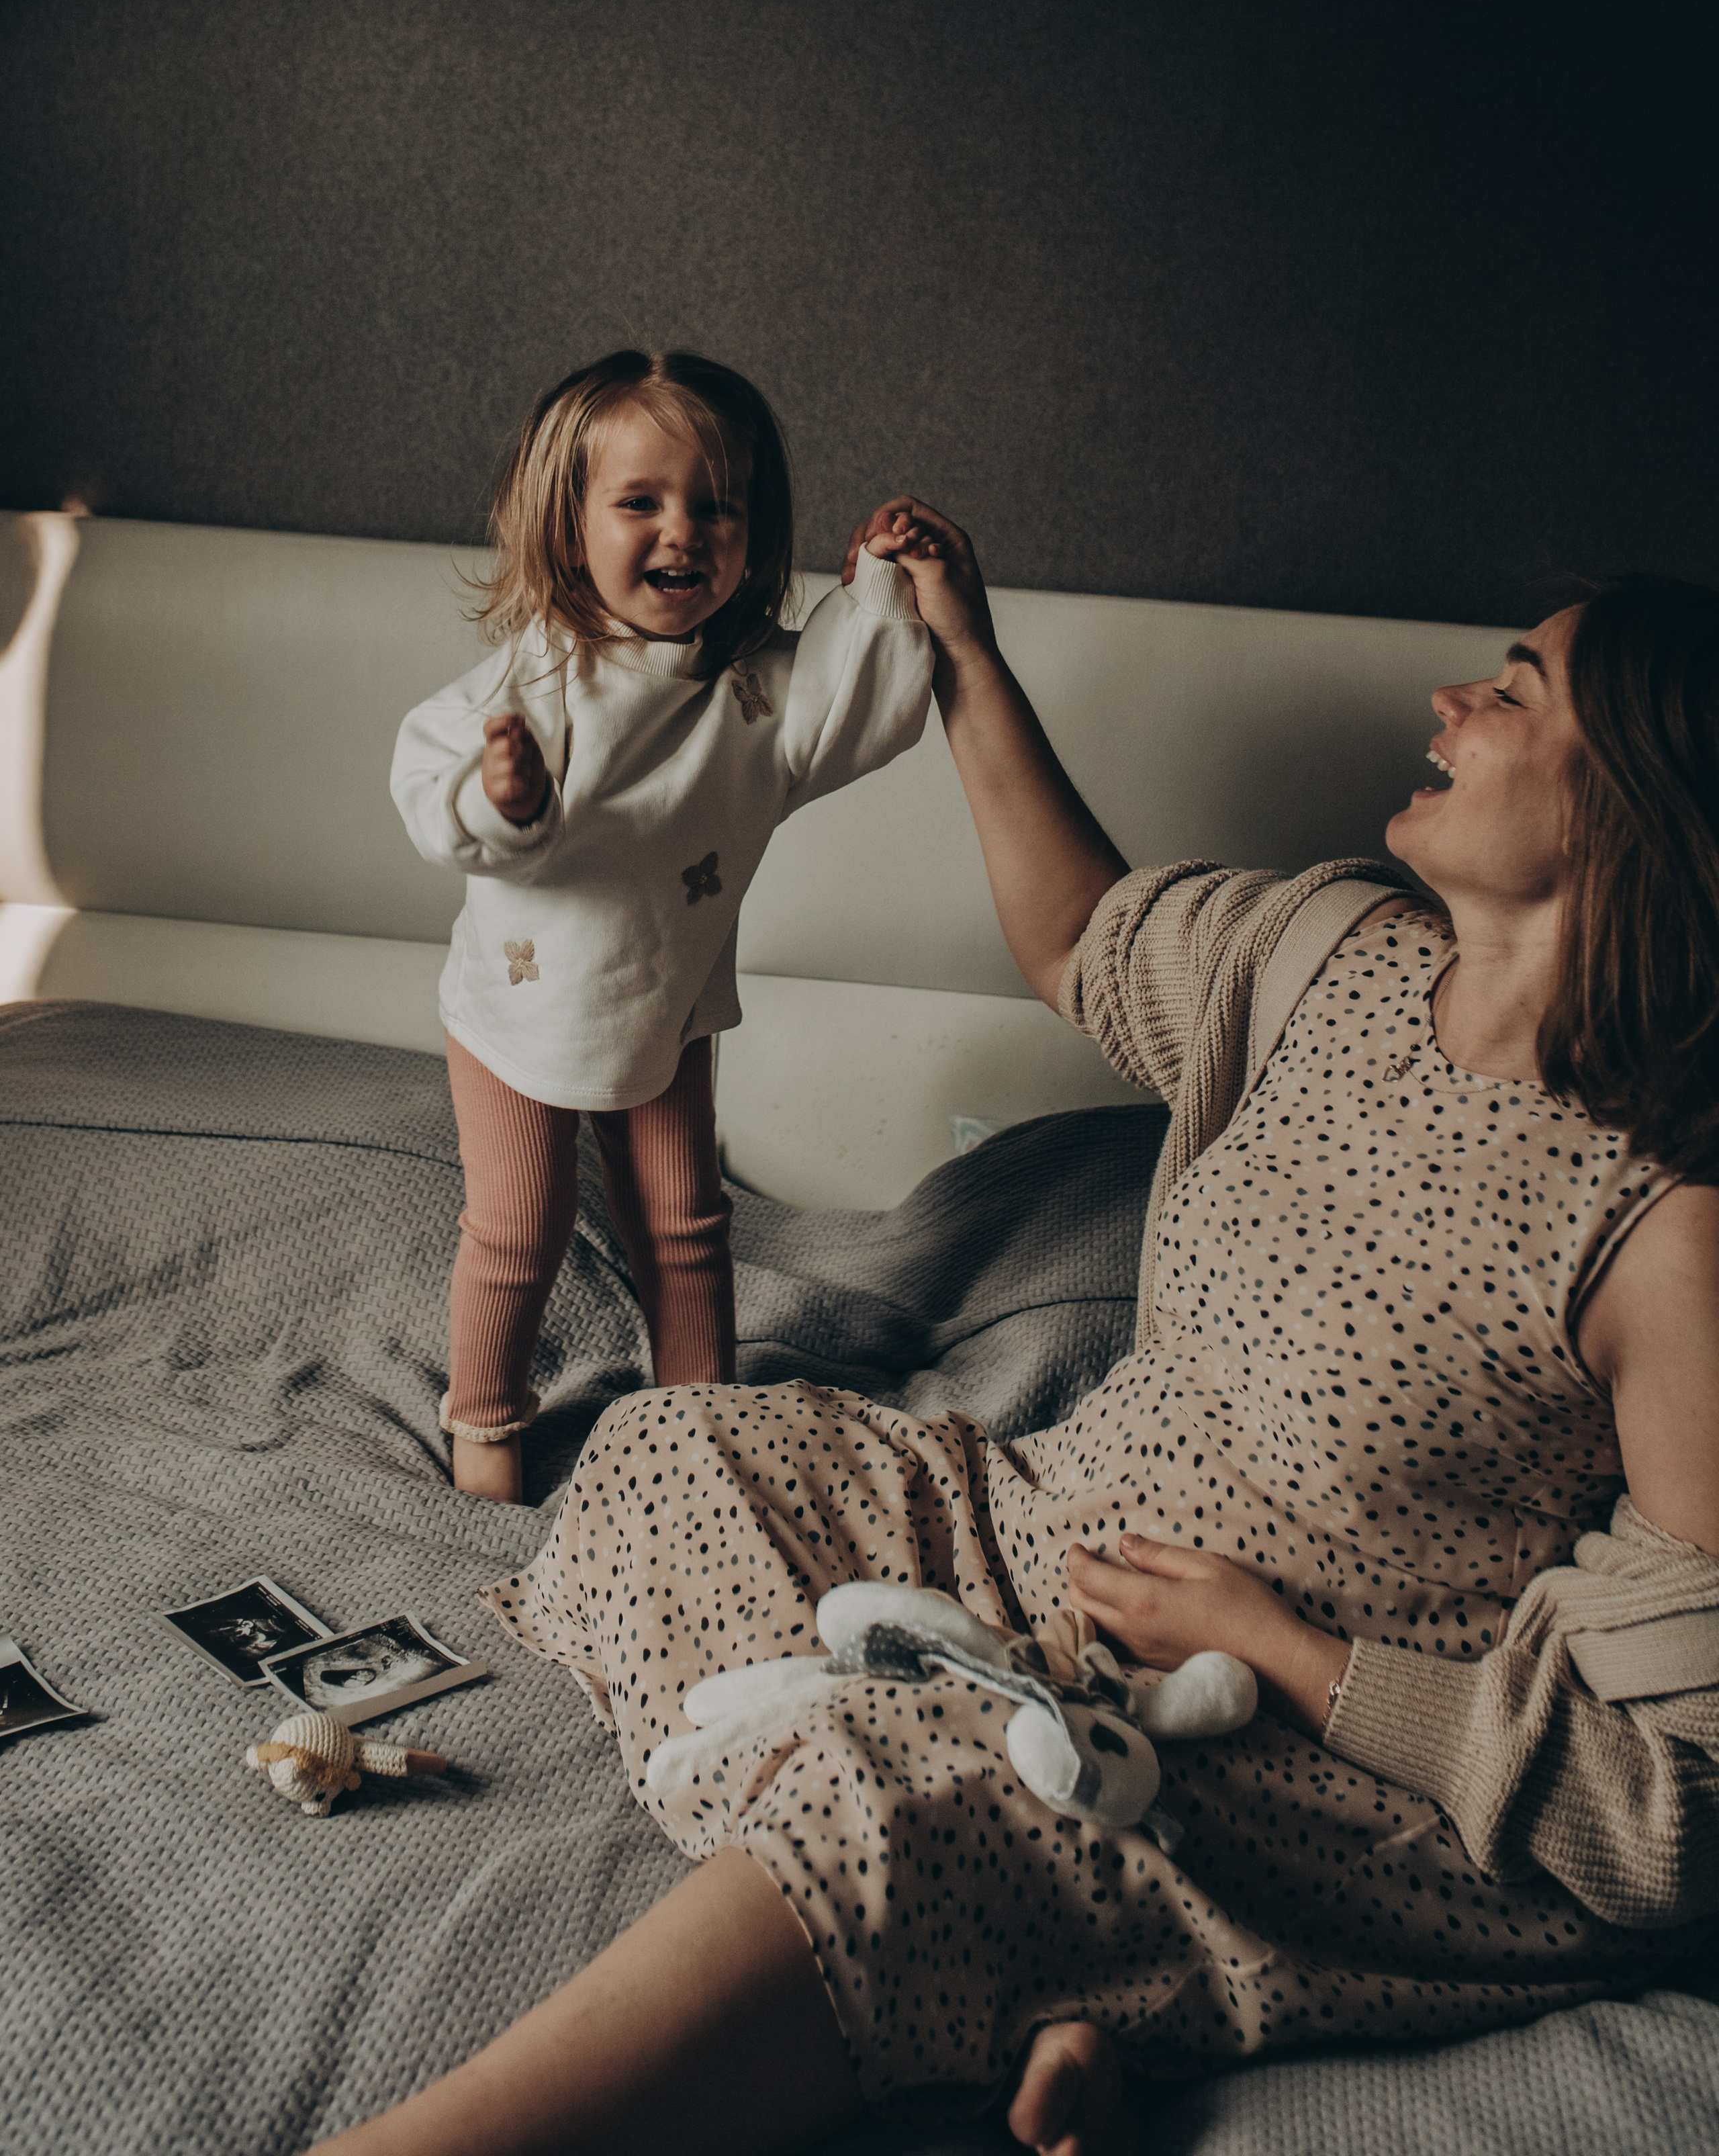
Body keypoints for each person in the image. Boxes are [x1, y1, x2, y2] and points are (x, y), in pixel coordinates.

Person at [339, 516, 1719, 2156]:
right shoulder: (1328, 951)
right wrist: (964, 661)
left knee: (911, 1795)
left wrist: (1288, 1653)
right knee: (672, 1454)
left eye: (1512, 691)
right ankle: (1021, 1948)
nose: (1447, 700)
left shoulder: (1663, 1228)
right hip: (1039, 1548)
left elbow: (1677, 1802)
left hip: (1293, 1741)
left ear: (1632, 799)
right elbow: (1078, 935)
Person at [391, 354, 932, 1502]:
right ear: (568, 528)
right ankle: (485, 1425)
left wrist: (883, 585)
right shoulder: (538, 684)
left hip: (665, 1007)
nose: (682, 531)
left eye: (717, 505)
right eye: (639, 502)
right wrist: (504, 797)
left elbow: (861, 703)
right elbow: (433, 785)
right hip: (517, 1013)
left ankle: (698, 1425)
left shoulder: (754, 692)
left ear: (753, 534)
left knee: (687, 1226)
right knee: (519, 1231)